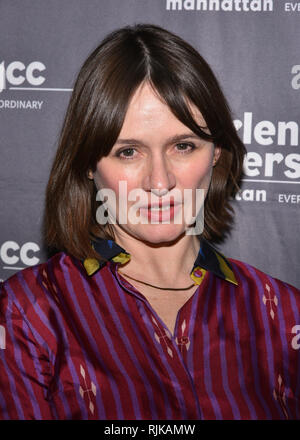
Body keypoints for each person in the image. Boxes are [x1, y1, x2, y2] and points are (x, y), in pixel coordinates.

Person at [0, 23, 299, 421]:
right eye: (128, 152)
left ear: (216, 153)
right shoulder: (28, 314)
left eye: (183, 146)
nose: (160, 182)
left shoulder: (282, 314)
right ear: (89, 164)